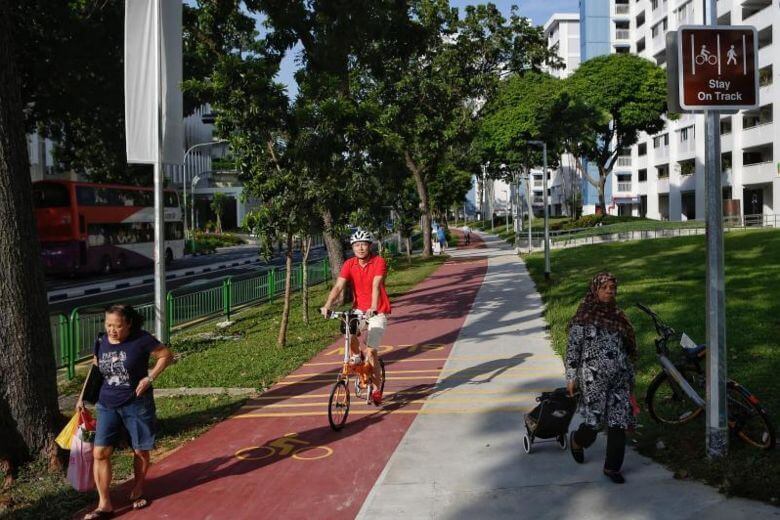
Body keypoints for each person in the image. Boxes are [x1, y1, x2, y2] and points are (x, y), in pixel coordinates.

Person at [78, 304, 173, 519]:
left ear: (128, 324)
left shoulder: (141, 339)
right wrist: (82, 397)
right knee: (100, 453)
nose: (112, 330)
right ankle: (104, 505)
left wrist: (149, 378)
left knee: (140, 450)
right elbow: (95, 368)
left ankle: (138, 487)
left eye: (117, 326)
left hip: (136, 404)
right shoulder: (102, 341)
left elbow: (166, 355)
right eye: (108, 324)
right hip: (107, 404)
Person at [565, 272, 637, 484]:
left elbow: (626, 346)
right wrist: (571, 376)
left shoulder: (618, 315)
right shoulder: (584, 317)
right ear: (595, 290)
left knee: (618, 421)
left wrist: (629, 372)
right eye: (604, 288)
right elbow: (572, 349)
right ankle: (578, 440)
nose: (609, 291)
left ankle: (612, 467)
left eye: (612, 288)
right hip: (592, 377)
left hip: (619, 376)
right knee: (594, 421)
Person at [321, 229, 391, 405]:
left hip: (378, 311)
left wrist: (373, 307)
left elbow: (376, 285)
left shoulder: (378, 261)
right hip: (359, 310)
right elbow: (338, 287)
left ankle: (376, 389)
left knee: (372, 351)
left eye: (363, 244)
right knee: (348, 330)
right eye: (356, 245)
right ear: (352, 247)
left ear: (369, 246)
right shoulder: (349, 264)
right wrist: (327, 305)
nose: (360, 248)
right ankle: (357, 358)